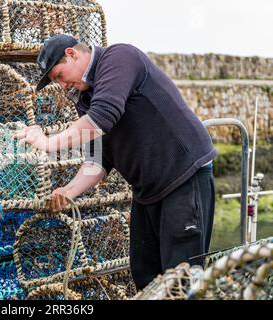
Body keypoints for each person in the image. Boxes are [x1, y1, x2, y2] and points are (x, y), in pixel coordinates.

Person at [13, 34, 217, 290]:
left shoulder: (119, 58)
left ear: (73, 54)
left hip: (184, 177)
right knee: (146, 275)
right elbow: (97, 162)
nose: (62, 86)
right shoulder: (85, 99)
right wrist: (68, 192)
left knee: (182, 277)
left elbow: (103, 117)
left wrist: (47, 143)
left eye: (59, 76)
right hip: (148, 190)